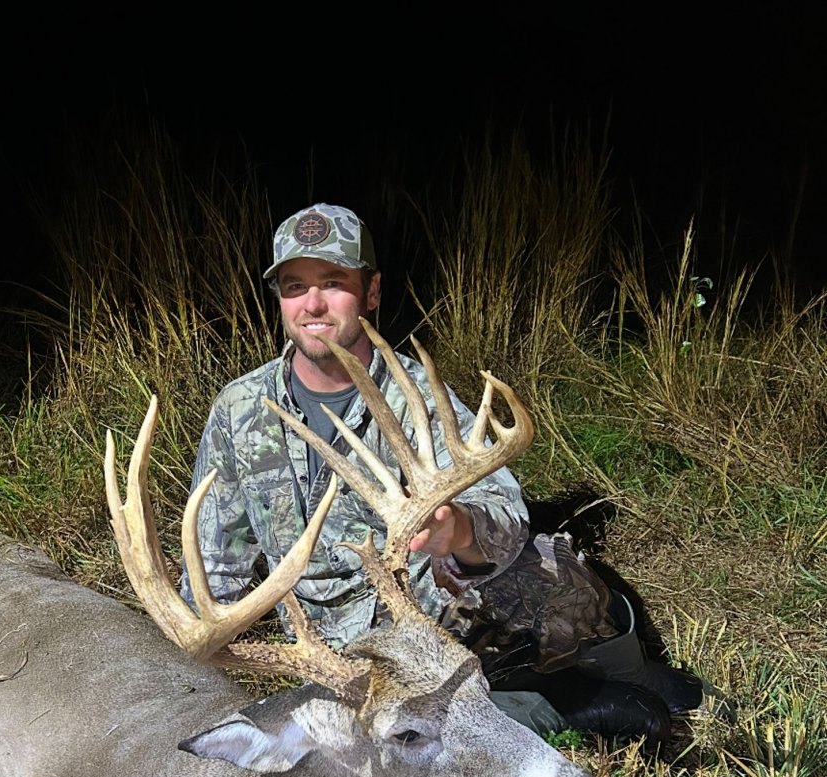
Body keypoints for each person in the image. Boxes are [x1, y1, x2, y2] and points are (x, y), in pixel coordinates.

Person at [181, 203, 706, 744]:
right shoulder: (240, 408)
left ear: (372, 291)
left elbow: (506, 515)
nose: (312, 303)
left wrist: (458, 529)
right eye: (295, 286)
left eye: (334, 282)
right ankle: (551, 707)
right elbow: (214, 562)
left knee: (551, 570)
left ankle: (632, 674)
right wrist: (195, 657)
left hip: (421, 610)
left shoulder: (417, 398)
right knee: (369, 733)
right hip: (325, 648)